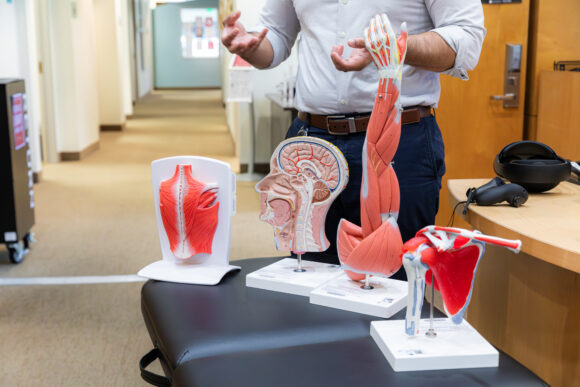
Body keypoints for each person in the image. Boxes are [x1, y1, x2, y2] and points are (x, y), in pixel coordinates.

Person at [221, 1, 486, 278]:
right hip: (312, 144)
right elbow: (275, 34)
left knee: (393, 279)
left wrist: (391, 47)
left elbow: (466, 40)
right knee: (309, 273)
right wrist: (251, 45)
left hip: (398, 143)